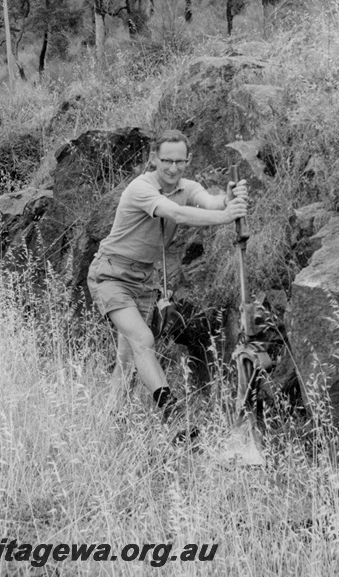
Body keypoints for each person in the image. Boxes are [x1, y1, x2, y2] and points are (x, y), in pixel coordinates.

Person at [87, 129, 248, 434]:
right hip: (111, 273)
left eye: (180, 161)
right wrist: (226, 216)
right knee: (143, 340)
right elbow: (176, 213)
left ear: (188, 160)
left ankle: (107, 421)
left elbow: (210, 202)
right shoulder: (141, 188)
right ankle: (173, 415)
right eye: (167, 161)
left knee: (127, 358)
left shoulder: (188, 187)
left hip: (144, 279)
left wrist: (227, 199)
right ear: (154, 159)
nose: (173, 168)